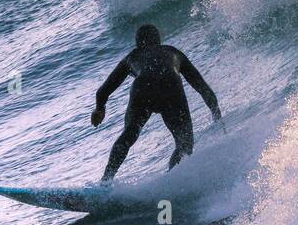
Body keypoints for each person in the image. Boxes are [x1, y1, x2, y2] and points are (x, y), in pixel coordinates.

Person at [91, 24, 223, 182]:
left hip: (143, 88)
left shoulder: (132, 57)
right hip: (171, 85)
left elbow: (103, 91)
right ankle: (172, 181)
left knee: (129, 135)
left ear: (138, 43)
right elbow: (201, 86)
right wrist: (216, 113)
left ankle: (106, 181)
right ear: (159, 41)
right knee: (184, 143)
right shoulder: (173, 53)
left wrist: (99, 109)